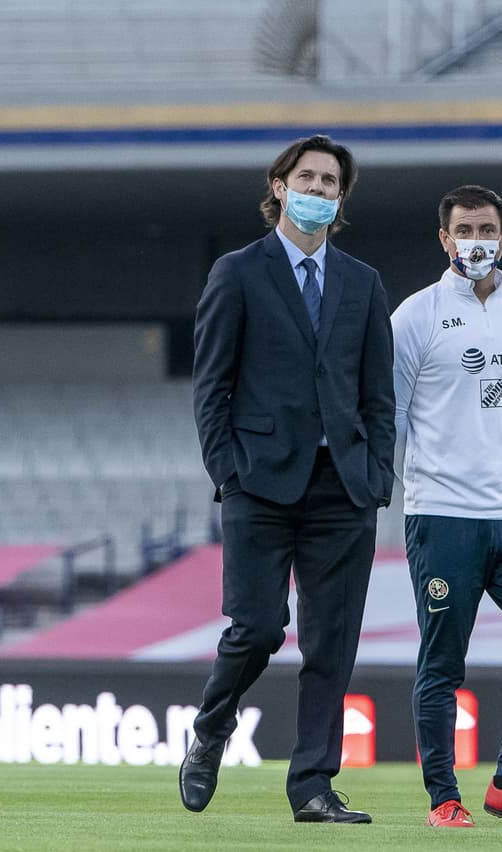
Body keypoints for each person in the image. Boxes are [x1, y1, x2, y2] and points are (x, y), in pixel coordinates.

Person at [180, 134, 395, 824]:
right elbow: (210, 385)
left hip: (344, 488)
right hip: (260, 484)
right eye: (308, 177)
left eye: (331, 183)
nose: (319, 190)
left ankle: (312, 787)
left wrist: (377, 474)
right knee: (259, 626)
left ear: (341, 198)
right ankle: (213, 725)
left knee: (331, 644)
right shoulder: (237, 273)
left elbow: (378, 394)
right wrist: (228, 472)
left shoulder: (363, 283)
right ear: (278, 186)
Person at [391, 185, 502, 830]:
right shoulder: (415, 316)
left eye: (486, 228)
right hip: (443, 518)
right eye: (463, 229)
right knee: (443, 663)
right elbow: (391, 415)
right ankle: (445, 798)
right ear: (443, 239)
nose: (475, 240)